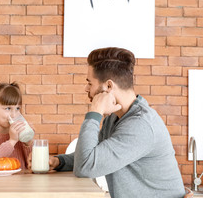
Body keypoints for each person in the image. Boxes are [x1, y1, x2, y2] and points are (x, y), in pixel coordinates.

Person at [45, 47, 185, 198]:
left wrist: (95, 112)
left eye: (90, 83)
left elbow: (85, 167)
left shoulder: (141, 125)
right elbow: (93, 156)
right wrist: (58, 161)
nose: (86, 88)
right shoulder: (115, 117)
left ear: (109, 86)